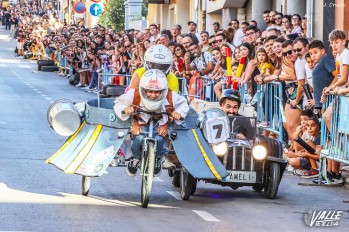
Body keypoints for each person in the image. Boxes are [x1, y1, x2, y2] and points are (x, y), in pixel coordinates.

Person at [114, 69, 190, 176]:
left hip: (159, 125)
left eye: (157, 92)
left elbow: (184, 104)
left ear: (162, 91)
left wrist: (177, 113)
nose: (153, 95)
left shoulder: (170, 95)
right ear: (143, 90)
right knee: (139, 138)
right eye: (150, 91)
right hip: (141, 124)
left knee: (159, 139)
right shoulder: (134, 93)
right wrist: (126, 110)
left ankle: (159, 158)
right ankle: (135, 159)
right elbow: (118, 102)